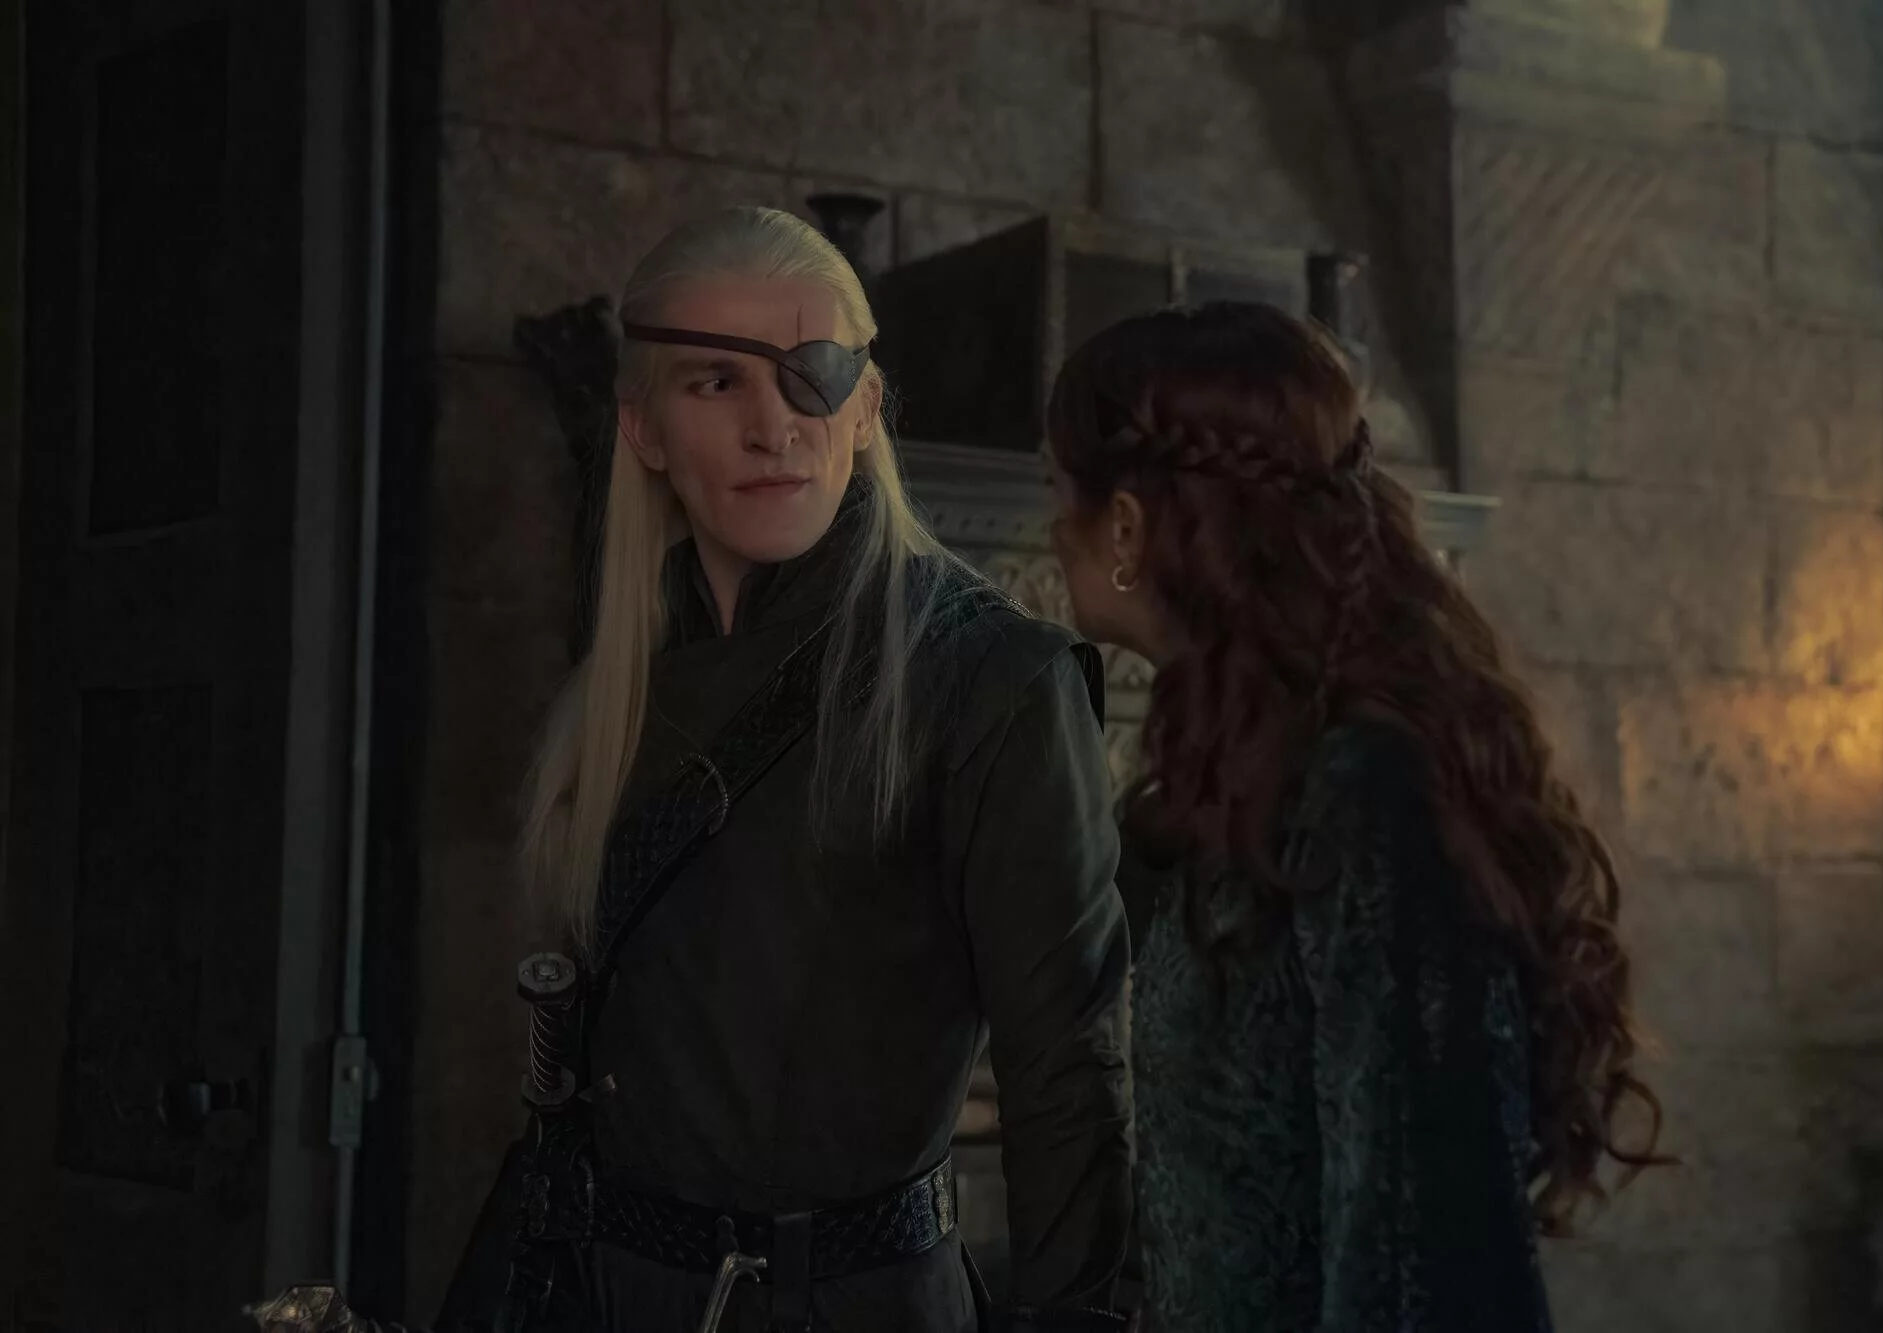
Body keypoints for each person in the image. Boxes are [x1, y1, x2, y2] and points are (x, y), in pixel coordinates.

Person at [440, 206, 1135, 1333]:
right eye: (717, 381)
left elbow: (1073, 1080)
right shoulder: (622, 682)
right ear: (644, 428)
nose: (774, 428)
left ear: (863, 407)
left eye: (811, 373)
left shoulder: (991, 680)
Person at [1040, 302, 1672, 1332]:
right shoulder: (1235, 784)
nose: (1049, 527)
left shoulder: (1365, 794)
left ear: (1124, 526)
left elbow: (1423, 1247)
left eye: (1056, 490)